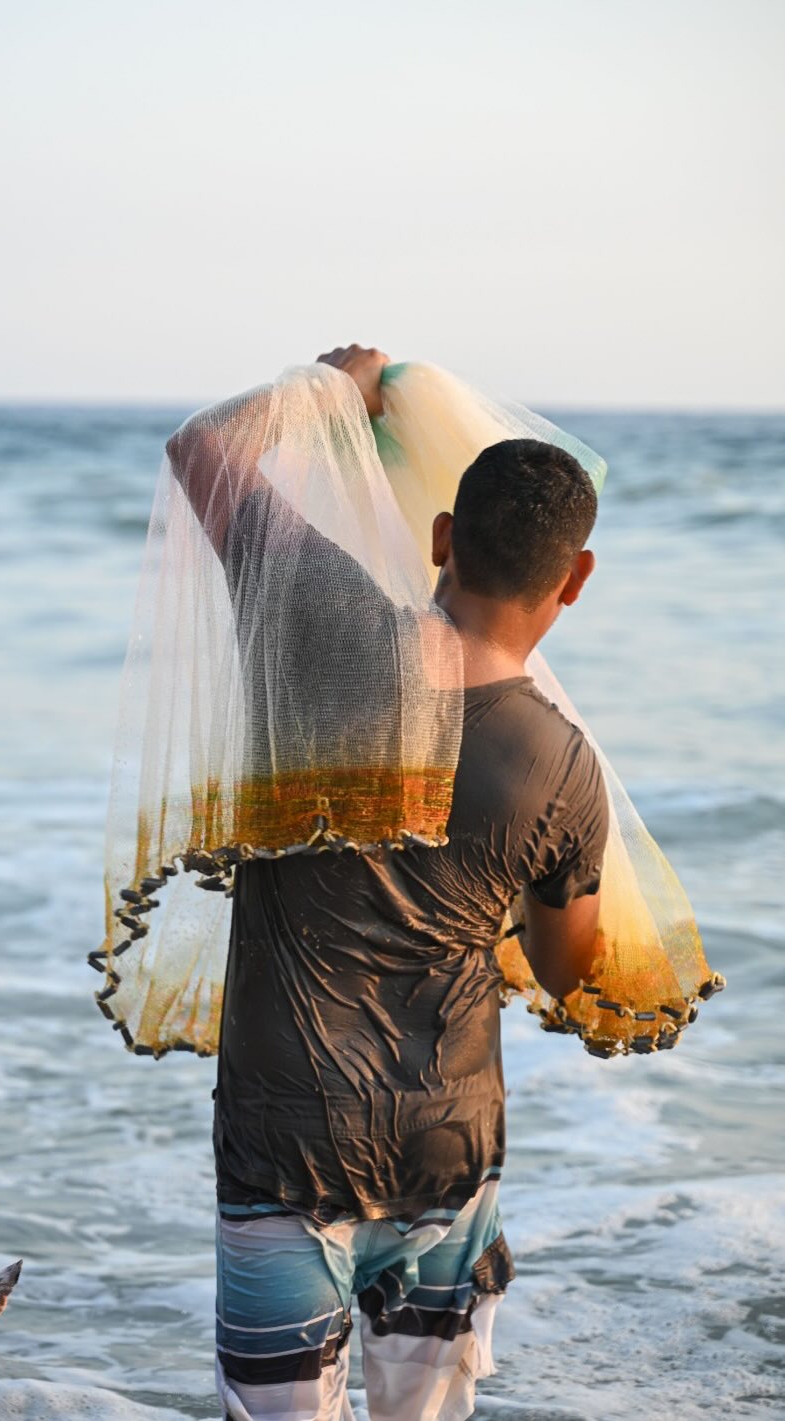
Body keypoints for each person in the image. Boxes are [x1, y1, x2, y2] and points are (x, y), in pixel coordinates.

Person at [166, 345, 609, 1421]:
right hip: (445, 1146)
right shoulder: (562, 763)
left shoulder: (321, 626)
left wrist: (328, 391)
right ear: (575, 577)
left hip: (287, 1137)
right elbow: (563, 967)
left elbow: (201, 452)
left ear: (444, 539)